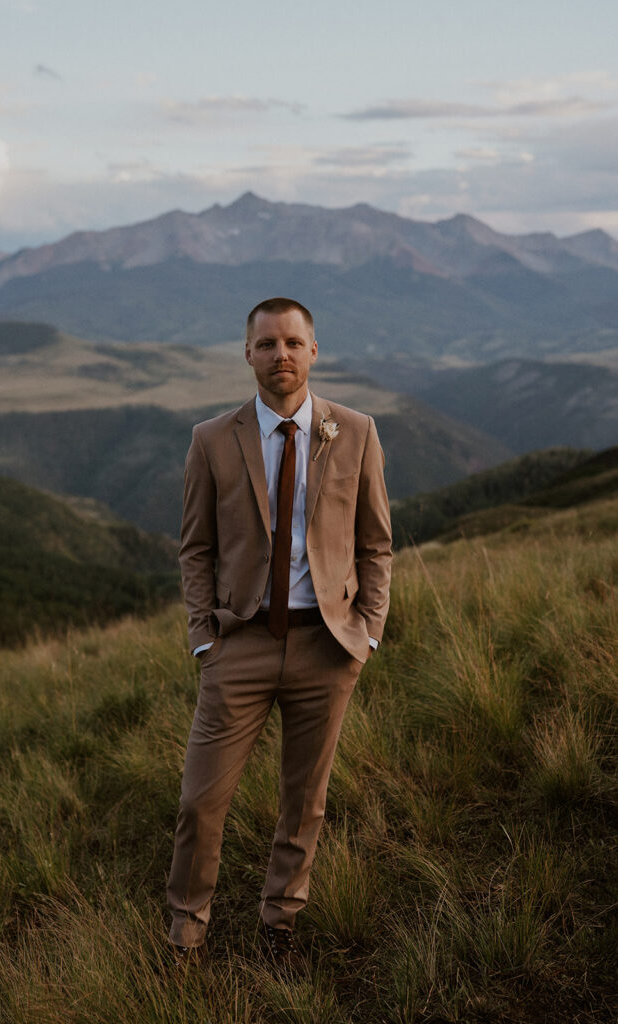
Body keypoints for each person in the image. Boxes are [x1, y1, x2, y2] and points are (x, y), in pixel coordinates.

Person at [166, 296, 392, 967]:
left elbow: (375, 543)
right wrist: (204, 638)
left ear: (313, 351)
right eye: (266, 344)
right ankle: (185, 932)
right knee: (201, 802)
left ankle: (280, 926)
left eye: (292, 343)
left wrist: (368, 632)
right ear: (247, 354)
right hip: (238, 646)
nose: (280, 356)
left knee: (305, 799)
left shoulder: (354, 431)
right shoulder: (212, 438)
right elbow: (195, 547)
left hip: (327, 647)